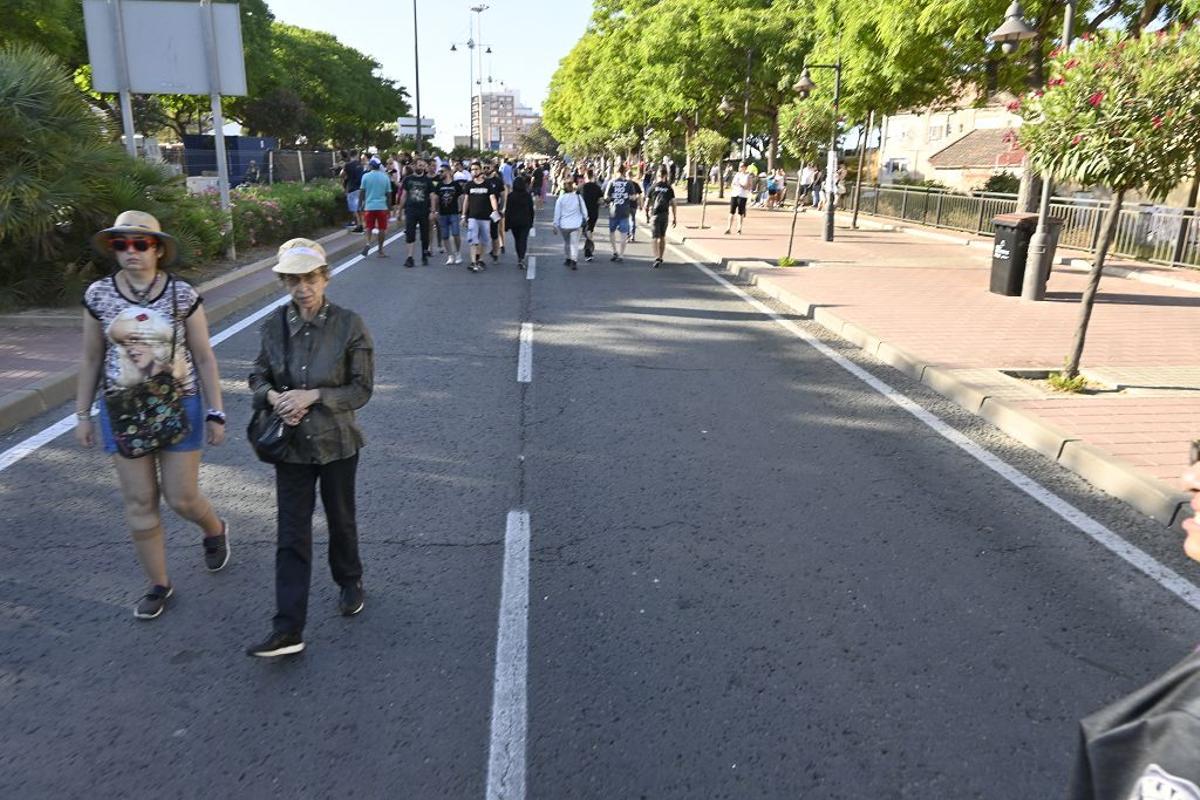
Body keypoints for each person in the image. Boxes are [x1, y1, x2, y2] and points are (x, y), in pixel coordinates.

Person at [76, 211, 228, 620]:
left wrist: (216, 411)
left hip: (181, 405)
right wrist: (82, 414)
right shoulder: (99, 295)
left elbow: (203, 356)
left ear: (158, 249)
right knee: (140, 501)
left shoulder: (181, 294)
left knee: (181, 497)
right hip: (122, 409)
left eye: (140, 244)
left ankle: (214, 530)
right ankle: (159, 584)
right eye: (121, 244)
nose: (131, 252)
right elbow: (91, 357)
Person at [246, 238, 375, 659]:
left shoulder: (349, 324)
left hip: (337, 443)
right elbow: (257, 377)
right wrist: (274, 399)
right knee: (291, 534)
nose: (303, 288)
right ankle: (288, 628)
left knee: (341, 519)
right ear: (285, 282)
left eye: (311, 278)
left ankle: (349, 579)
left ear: (324, 277)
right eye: (294, 280)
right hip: (292, 445)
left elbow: (361, 389)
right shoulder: (273, 326)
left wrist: (313, 396)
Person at [462, 162, 498, 272]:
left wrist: (495, 210)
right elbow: (466, 201)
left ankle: (481, 259)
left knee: (485, 240)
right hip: (473, 217)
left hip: (485, 217)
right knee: (473, 240)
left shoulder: (487, 184)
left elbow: (492, 198)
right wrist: (463, 215)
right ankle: (473, 262)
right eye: (472, 169)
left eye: (476, 169)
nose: (474, 171)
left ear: (481, 170)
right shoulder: (469, 185)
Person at [400, 158, 435, 267]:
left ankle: (424, 254)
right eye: (419, 165)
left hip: (424, 211)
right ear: (415, 166)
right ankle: (410, 257)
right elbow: (404, 195)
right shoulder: (407, 179)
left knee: (425, 235)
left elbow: (432, 196)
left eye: (423, 166)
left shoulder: (428, 181)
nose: (422, 167)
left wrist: (432, 211)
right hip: (411, 210)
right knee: (410, 234)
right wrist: (399, 210)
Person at [603, 166, 640, 262]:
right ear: (624, 172)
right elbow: (633, 197)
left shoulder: (611, 182)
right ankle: (621, 254)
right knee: (624, 234)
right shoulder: (628, 183)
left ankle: (614, 251)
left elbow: (606, 197)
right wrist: (627, 196)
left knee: (612, 232)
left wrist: (612, 198)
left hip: (613, 210)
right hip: (624, 210)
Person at [358, 157, 392, 259]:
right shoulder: (385, 177)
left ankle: (368, 243)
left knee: (369, 227)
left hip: (369, 206)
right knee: (382, 228)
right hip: (382, 207)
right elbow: (389, 194)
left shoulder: (365, 177)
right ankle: (380, 250)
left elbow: (362, 192)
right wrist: (389, 208)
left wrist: (361, 204)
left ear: (371, 166)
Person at [645, 166, 677, 268]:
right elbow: (673, 203)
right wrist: (674, 217)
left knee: (655, 237)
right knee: (662, 236)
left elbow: (646, 204)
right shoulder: (669, 188)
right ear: (665, 175)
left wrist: (647, 215)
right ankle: (661, 256)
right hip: (664, 214)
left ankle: (656, 257)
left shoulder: (652, 187)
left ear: (657, 175)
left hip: (654, 214)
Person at [552, 179, 587, 269]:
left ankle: (568, 258)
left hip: (564, 225)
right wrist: (585, 218)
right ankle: (574, 260)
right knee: (574, 243)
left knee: (567, 242)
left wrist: (555, 225)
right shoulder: (578, 197)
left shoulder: (561, 199)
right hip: (576, 224)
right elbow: (584, 210)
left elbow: (557, 213)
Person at [433, 165, 465, 265]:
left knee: (456, 233)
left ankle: (458, 253)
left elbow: (462, 198)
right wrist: (435, 211)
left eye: (442, 171)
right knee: (445, 235)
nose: (440, 174)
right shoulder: (439, 185)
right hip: (442, 213)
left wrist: (462, 212)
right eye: (439, 172)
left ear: (448, 172)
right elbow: (435, 198)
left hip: (454, 213)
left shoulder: (456, 185)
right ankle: (450, 256)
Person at [505, 175, 535, 269]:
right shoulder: (527, 196)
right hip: (525, 221)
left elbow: (508, 210)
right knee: (523, 240)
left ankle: (519, 256)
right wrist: (531, 222)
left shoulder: (510, 196)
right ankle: (521, 257)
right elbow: (531, 210)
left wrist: (506, 224)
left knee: (517, 240)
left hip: (514, 222)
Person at [484, 161, 507, 262]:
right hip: (482, 210)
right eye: (484, 167)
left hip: (494, 210)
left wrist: (502, 208)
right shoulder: (481, 181)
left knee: (494, 231)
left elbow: (502, 195)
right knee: (483, 232)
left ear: (492, 168)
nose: (485, 170)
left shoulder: (497, 181)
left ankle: (495, 252)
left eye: (487, 167)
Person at [579, 169, 604, 262]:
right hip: (594, 212)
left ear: (585, 177)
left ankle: (588, 250)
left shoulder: (581, 187)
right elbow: (601, 200)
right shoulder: (597, 187)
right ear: (593, 176)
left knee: (586, 230)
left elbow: (577, 199)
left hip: (583, 213)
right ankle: (589, 246)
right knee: (590, 230)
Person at [339, 151, 365, 232]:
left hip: (352, 188)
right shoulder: (361, 165)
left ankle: (359, 226)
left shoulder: (348, 165)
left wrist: (346, 173)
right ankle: (362, 224)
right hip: (360, 188)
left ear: (350, 156)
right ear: (357, 155)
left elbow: (341, 175)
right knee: (359, 208)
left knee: (354, 209)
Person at [724, 161, 752, 235]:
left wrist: (743, 186)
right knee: (731, 212)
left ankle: (739, 229)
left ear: (745, 167)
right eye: (740, 166)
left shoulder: (748, 176)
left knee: (740, 213)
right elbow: (733, 183)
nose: (740, 168)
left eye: (742, 166)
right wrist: (734, 186)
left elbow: (749, 186)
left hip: (742, 195)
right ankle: (728, 228)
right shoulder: (737, 174)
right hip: (734, 194)